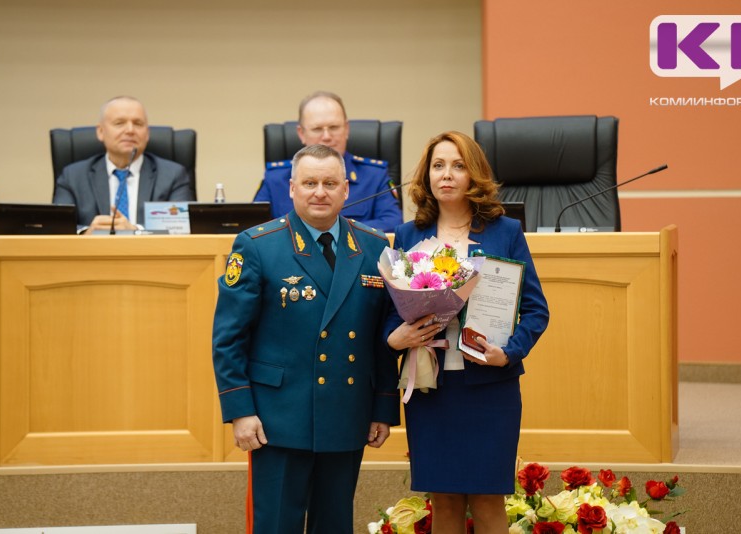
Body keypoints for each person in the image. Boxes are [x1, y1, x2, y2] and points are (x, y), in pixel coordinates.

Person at [212, 144, 401, 533]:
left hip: (346, 412)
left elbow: (380, 336)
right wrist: (239, 410)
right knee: (277, 525)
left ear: (346, 190)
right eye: (310, 182)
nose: (320, 192)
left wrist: (383, 407)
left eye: (330, 183)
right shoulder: (257, 246)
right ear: (292, 188)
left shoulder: (374, 247)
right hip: (277, 417)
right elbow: (229, 337)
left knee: (334, 525)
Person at [386, 131, 550, 533]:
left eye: (458, 166)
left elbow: (535, 310)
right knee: (443, 502)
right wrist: (398, 336)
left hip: (489, 386)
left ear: (473, 173)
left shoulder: (504, 231)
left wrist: (509, 352)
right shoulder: (409, 234)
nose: (447, 175)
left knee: (489, 501)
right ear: (426, 177)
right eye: (438, 166)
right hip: (431, 385)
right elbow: (392, 310)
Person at [253, 91, 403, 232]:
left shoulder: (375, 176)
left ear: (346, 129)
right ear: (301, 133)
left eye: (334, 127)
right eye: (317, 129)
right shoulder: (275, 178)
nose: (326, 136)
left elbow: (393, 223)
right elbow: (254, 227)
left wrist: (335, 231)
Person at [53, 96, 194, 234]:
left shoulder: (173, 175)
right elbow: (57, 227)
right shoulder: (72, 176)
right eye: (119, 123)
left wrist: (135, 231)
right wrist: (86, 234)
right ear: (101, 131)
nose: (130, 130)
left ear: (147, 134)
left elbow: (182, 230)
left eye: (138, 123)